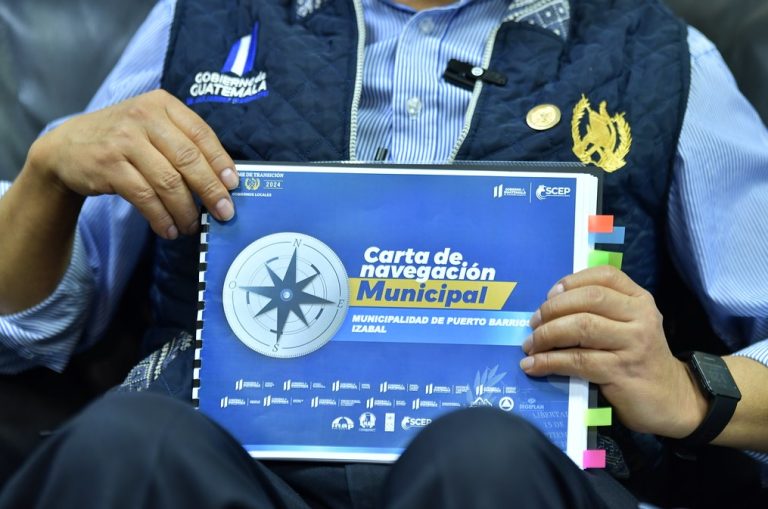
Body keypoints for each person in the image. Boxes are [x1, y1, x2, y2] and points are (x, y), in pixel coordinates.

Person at [0, 0, 767, 506]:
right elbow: (31, 326)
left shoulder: (658, 57)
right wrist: (47, 178)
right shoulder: (201, 21)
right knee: (126, 443)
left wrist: (687, 389)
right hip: (226, 466)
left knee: (483, 455)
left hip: (512, 473)